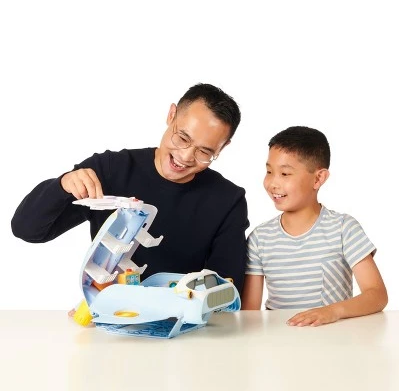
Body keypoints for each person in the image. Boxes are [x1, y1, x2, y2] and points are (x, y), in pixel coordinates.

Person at [11, 83, 249, 297]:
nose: (186, 157)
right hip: (110, 317)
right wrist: (62, 185)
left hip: (185, 322)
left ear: (223, 147)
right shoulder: (111, 169)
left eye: (205, 152)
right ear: (171, 115)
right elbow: (27, 230)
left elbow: (226, 291)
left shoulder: (228, 200)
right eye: (183, 138)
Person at [241, 126, 387, 326]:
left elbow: (377, 295)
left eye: (285, 173)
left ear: (318, 178)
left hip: (333, 336)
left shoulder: (343, 228)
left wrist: (332, 311)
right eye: (269, 171)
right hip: (280, 338)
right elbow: (249, 313)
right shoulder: (260, 238)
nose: (273, 183)